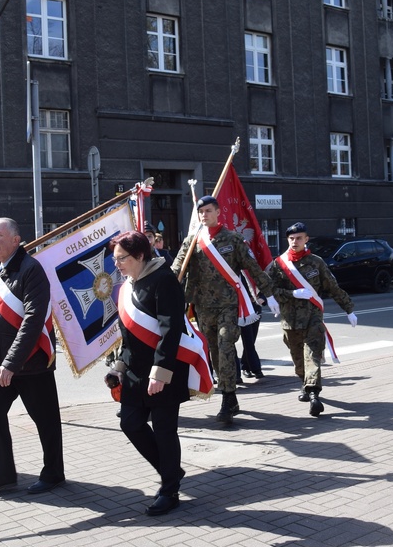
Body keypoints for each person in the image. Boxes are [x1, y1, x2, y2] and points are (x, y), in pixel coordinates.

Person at [0, 217, 64, 498]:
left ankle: (53, 474)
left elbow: (34, 318)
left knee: (45, 420)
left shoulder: (31, 269)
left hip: (32, 363)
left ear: (16, 239)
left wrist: (12, 362)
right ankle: (1, 475)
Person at [172, 195, 279, 424]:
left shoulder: (233, 239)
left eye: (209, 211)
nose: (204, 215)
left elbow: (252, 267)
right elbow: (176, 270)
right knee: (215, 351)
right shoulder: (192, 241)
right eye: (201, 212)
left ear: (218, 212)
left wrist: (268, 293)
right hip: (203, 307)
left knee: (225, 345)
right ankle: (229, 395)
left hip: (229, 305)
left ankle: (227, 396)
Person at [107, 230, 190, 515]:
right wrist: (118, 367)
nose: (116, 264)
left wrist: (161, 372)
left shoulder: (164, 280)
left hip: (163, 370)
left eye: (122, 258)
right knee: (130, 424)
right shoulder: (127, 285)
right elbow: (127, 335)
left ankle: (170, 490)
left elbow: (171, 330)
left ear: (140, 256)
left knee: (165, 431)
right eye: (115, 258)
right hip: (134, 372)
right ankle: (171, 471)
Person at [267, 222, 356, 417]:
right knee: (298, 359)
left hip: (313, 318)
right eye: (291, 238)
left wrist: (348, 309)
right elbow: (268, 289)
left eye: (299, 238)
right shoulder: (278, 264)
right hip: (290, 321)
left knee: (313, 356)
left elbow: (333, 287)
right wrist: (292, 294)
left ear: (306, 239)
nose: (294, 241)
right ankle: (305, 384)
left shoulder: (316, 262)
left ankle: (314, 395)